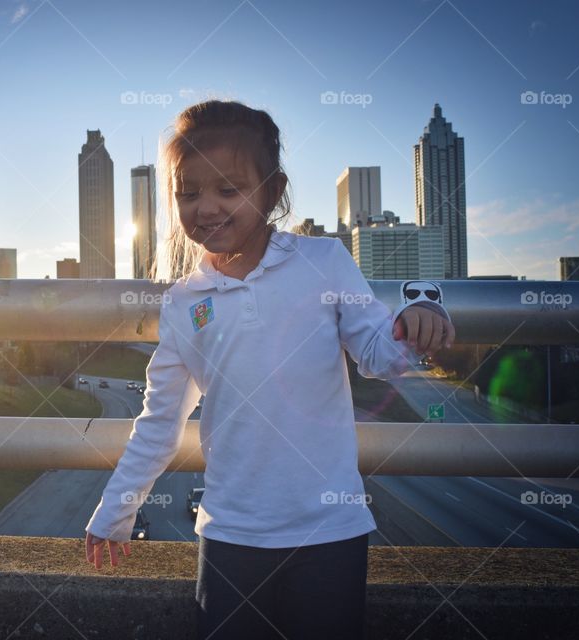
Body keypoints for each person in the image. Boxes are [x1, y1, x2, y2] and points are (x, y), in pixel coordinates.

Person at [83, 100, 454, 639]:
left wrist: (419, 318)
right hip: (230, 536)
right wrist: (115, 509)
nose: (207, 207)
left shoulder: (323, 262)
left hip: (331, 531)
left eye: (229, 189)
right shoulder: (184, 302)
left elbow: (378, 355)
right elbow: (160, 422)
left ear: (273, 191)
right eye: (189, 193)